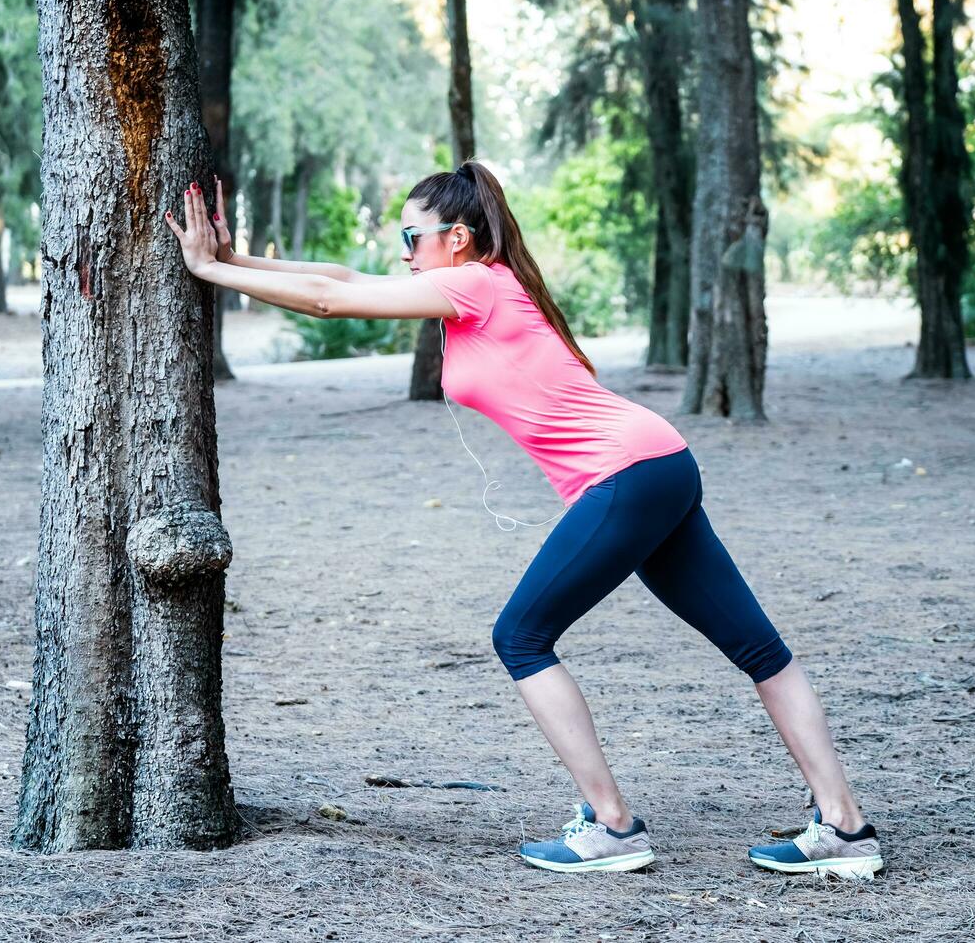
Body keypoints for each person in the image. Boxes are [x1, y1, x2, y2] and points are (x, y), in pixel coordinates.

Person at [164, 162, 883, 879]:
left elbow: (327, 300)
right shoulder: (480, 281)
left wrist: (211, 272)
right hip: (661, 463)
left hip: (627, 476)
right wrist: (234, 259)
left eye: (413, 236)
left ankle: (612, 826)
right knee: (759, 650)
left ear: (458, 237)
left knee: (521, 635)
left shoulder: (474, 282)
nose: (404, 252)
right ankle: (845, 827)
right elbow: (342, 280)